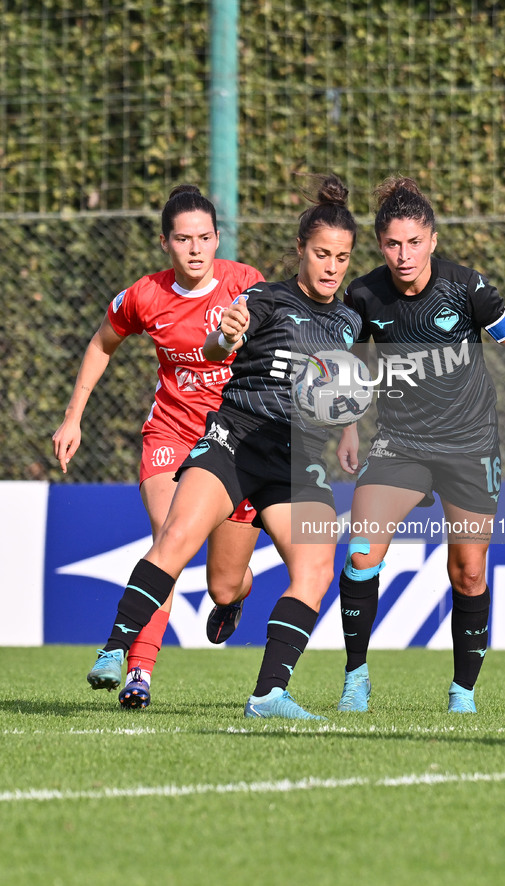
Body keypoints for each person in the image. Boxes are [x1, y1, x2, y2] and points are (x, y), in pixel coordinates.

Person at [85, 173, 363, 720]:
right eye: (322, 254)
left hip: (294, 461)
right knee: (177, 537)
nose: (331, 267)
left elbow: (341, 392)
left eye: (343, 258)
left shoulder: (351, 321)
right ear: (301, 252)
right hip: (233, 443)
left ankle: (268, 695)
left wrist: (350, 416)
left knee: (314, 570)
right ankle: (117, 646)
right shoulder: (263, 297)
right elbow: (216, 348)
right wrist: (226, 334)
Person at [53, 185, 264, 708]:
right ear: (165, 243)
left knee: (223, 584)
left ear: (218, 239)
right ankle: (138, 671)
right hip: (170, 434)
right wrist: (72, 417)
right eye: (183, 239)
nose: (195, 248)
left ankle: (236, 598)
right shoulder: (145, 295)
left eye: (205, 237)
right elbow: (102, 343)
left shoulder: (246, 284)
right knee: (168, 541)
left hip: (234, 441)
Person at [336, 176, 505, 714]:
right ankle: (356, 678)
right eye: (392, 244)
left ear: (432, 239)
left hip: (470, 445)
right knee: (361, 553)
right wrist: (350, 427)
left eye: (414, 242)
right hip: (399, 443)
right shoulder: (364, 294)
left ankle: (463, 693)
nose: (404, 255)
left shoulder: (467, 288)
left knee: (468, 571)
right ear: (381, 244)